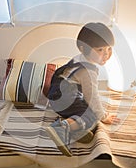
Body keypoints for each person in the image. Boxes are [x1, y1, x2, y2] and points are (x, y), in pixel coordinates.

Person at [46, 22, 120, 157]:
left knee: (86, 110)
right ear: (83, 48)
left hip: (56, 96)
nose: (106, 54)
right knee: (92, 115)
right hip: (65, 99)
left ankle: (77, 130)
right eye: (100, 50)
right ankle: (61, 128)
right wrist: (103, 116)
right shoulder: (88, 71)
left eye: (109, 49)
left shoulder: (80, 59)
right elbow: (92, 96)